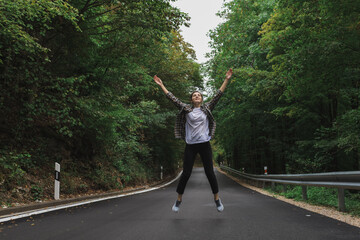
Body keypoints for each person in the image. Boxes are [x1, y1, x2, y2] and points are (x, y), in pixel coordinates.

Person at [153, 69, 233, 213]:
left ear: (201, 99)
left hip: (204, 144)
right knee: (186, 173)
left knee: (210, 173)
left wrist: (226, 79)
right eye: (194, 95)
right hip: (190, 145)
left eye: (199, 95)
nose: (197, 96)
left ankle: (216, 199)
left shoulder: (206, 108)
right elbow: (172, 98)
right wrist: (161, 85)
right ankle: (178, 200)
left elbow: (218, 95)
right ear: (191, 99)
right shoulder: (186, 109)